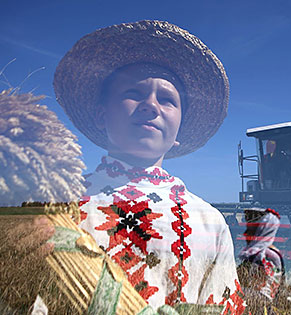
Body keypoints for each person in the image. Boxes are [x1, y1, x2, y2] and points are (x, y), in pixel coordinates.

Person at [50, 20, 245, 313]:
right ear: (101, 115)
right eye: (134, 93)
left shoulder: (209, 222)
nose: (151, 105)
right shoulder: (57, 205)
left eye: (167, 100)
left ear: (179, 131)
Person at [237, 208, 284, 311]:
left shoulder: (267, 255)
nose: (245, 233)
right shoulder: (260, 252)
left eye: (251, 229)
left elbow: (260, 289)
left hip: (259, 305)